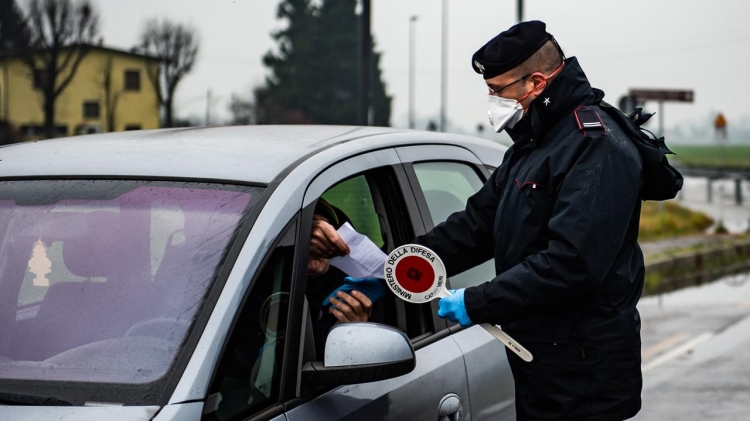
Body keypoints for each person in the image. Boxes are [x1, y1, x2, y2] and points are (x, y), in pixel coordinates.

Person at [310, 20, 659, 421]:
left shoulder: (595, 146)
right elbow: (475, 225)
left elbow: (572, 263)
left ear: (537, 83)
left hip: (586, 375)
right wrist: (396, 269)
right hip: (543, 367)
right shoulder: (535, 144)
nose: (493, 100)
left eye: (498, 90)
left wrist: (475, 301)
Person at [306, 199, 384, 357]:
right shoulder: (267, 282)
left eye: (326, 236)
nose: (316, 242)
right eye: (309, 232)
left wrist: (352, 331)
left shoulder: (359, 290)